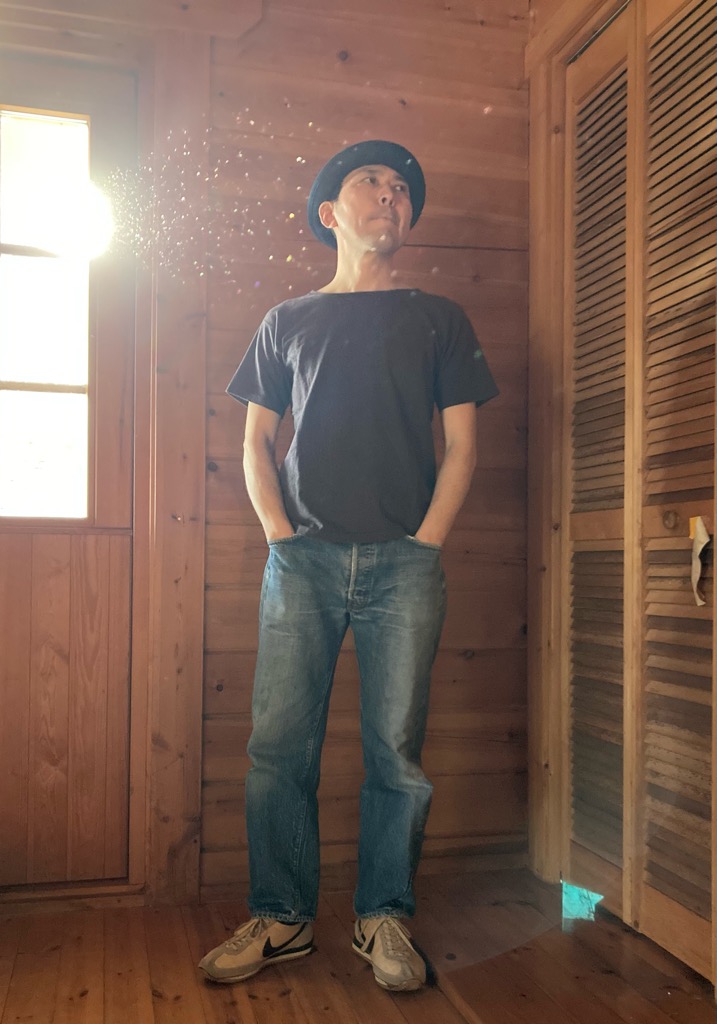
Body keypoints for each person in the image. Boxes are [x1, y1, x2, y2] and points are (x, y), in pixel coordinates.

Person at [198, 140, 498, 992]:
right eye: (371, 181)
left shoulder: (439, 319)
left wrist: (425, 543)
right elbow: (255, 442)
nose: (390, 194)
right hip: (302, 564)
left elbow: (462, 447)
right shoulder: (285, 321)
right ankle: (282, 918)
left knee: (395, 752)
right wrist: (279, 536)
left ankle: (382, 918)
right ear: (329, 212)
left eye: (401, 187)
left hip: (406, 565)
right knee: (276, 749)